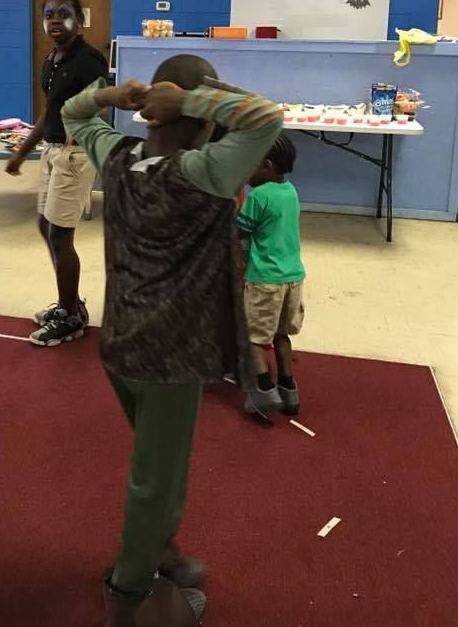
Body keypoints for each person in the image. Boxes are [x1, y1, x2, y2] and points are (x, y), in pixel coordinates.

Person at [61, 55, 282, 627]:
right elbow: (266, 117)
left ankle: (160, 550)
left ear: (149, 115)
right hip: (172, 354)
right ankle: (129, 593)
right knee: (157, 479)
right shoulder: (207, 171)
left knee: (154, 461)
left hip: (120, 344)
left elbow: (71, 112)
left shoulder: (118, 157)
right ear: (203, 118)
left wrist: (116, 95)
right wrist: (190, 98)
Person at [6, 0, 108, 347]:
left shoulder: (90, 60)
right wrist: (23, 151)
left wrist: (79, 132)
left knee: (60, 235)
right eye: (49, 14)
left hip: (74, 155)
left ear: (78, 20)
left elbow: (101, 107)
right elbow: (49, 110)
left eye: (63, 13)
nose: (54, 20)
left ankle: (71, 317)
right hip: (51, 151)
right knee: (44, 225)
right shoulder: (51, 60)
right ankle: (71, 304)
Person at [237, 134, 305, 418]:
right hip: (293, 278)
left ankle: (264, 392)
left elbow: (239, 231)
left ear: (266, 165)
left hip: (265, 280)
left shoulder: (258, 197)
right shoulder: (290, 192)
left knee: (253, 339)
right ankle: (288, 388)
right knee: (281, 334)